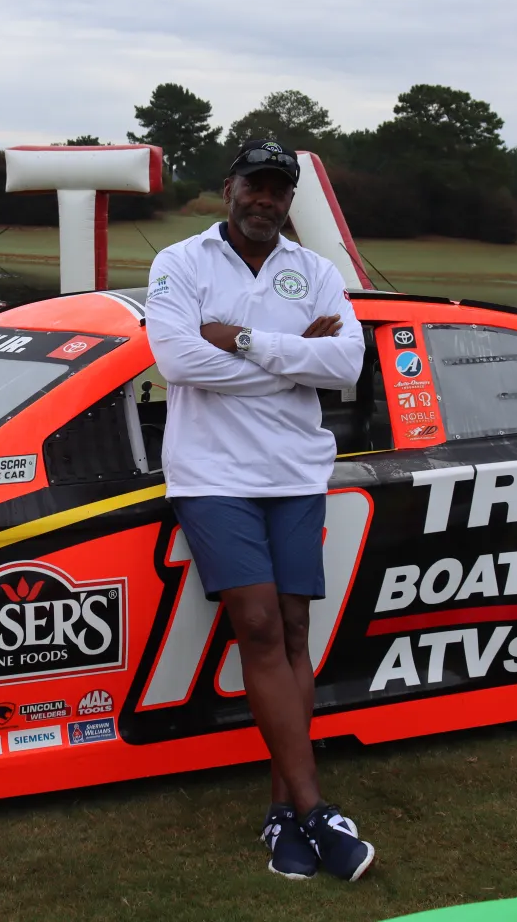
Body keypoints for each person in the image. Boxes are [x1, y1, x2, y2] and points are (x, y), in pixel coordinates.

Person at [145, 138, 373, 881]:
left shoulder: (315, 271)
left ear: (289, 197)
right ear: (229, 186)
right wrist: (290, 361)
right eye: (255, 184)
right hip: (211, 475)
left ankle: (283, 813)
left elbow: (346, 363)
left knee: (297, 626)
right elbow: (177, 361)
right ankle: (312, 809)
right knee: (259, 623)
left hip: (295, 472)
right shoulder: (180, 263)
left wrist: (243, 342)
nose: (265, 199)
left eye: (279, 188)